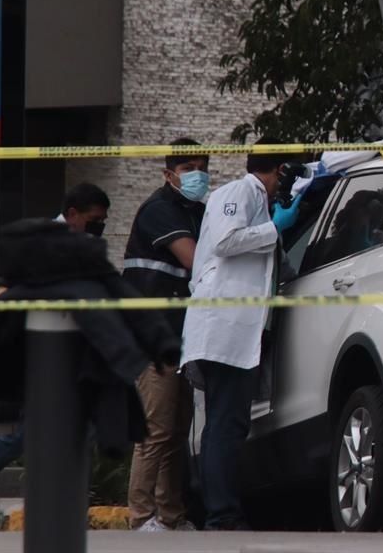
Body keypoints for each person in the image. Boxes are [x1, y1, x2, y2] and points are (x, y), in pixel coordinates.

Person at [180, 136, 301, 531]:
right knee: (225, 425)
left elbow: (273, 265)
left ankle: (222, 511)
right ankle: (222, 516)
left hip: (235, 331)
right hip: (224, 328)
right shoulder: (239, 191)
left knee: (226, 423)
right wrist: (274, 228)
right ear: (279, 171)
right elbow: (228, 241)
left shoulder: (259, 202)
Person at [123, 138, 210, 532]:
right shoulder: (160, 210)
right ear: (168, 173)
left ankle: (171, 515)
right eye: (189, 168)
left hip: (181, 336)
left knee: (176, 432)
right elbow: (195, 259)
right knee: (156, 431)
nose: (198, 175)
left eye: (202, 167)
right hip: (153, 336)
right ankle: (141, 516)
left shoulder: (196, 212)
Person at [0, 183, 111, 477]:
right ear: (72, 214)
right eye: (93, 220)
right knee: (32, 432)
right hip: (38, 350)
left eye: (102, 222)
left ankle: (66, 496)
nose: (97, 228)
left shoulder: (81, 247)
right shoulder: (38, 241)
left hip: (70, 350)